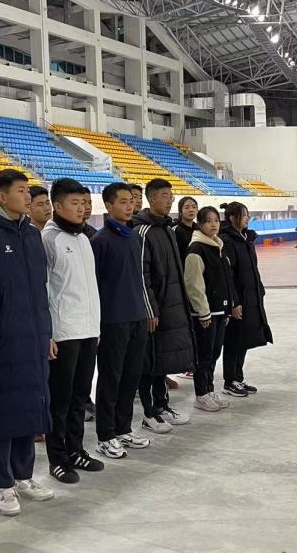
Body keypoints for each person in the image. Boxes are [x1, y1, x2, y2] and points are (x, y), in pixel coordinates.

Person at [0, 169, 56, 516]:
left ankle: (24, 476)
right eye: (21, 191)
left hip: (32, 339)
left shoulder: (31, 234)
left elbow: (41, 291)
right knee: (1, 414)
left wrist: (46, 333)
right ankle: (1, 484)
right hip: (1, 342)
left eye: (28, 191)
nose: (27, 196)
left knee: (30, 408)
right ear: (2, 196)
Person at [40, 178, 104, 483]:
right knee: (60, 401)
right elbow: (42, 290)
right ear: (57, 205)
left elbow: (90, 288)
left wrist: (95, 326)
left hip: (87, 330)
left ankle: (76, 449)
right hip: (63, 333)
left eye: (84, 203)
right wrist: (48, 333)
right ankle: (58, 458)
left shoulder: (83, 239)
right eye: (75, 203)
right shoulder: (48, 239)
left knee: (80, 396)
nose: (82, 209)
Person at [92, 183, 152, 459]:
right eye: (123, 202)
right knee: (111, 378)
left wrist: (146, 312)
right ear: (108, 206)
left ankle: (123, 428)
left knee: (131, 376)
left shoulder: (134, 237)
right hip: (112, 321)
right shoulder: (100, 241)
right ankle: (106, 435)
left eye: (131, 201)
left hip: (137, 317)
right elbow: (94, 285)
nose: (130, 206)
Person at [130, 178, 195, 432]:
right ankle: (149, 412)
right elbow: (141, 275)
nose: (169, 200)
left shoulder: (167, 228)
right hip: (154, 310)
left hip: (170, 305)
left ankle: (162, 405)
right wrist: (149, 309)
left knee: (163, 361)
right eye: (164, 195)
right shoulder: (143, 231)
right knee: (150, 362)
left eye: (171, 195)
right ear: (151, 199)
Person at [184, 206, 238, 413]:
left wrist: (228, 307)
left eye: (216, 220)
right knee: (204, 355)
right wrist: (203, 311)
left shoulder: (218, 246)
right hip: (205, 315)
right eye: (208, 221)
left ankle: (209, 389)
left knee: (214, 353)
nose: (213, 224)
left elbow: (226, 280)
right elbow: (194, 285)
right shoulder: (196, 250)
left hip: (220, 311)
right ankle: (201, 394)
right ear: (199, 224)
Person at [219, 202, 272, 397]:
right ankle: (229, 380)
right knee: (233, 340)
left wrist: (259, 291)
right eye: (243, 215)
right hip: (238, 300)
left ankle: (238, 378)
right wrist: (234, 302)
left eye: (247, 215)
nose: (247, 218)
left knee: (244, 339)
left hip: (251, 296)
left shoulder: (246, 238)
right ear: (232, 218)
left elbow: (252, 269)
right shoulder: (227, 240)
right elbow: (229, 274)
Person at [174, 196, 199, 262]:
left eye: (194, 207)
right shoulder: (175, 230)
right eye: (187, 207)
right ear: (180, 211)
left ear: (197, 210)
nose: (191, 210)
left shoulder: (199, 230)